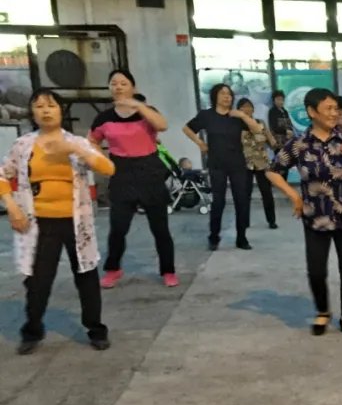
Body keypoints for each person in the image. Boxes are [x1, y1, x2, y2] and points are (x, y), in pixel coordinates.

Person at [1, 88, 114, 355]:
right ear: (33, 113)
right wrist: (12, 207)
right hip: (39, 223)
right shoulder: (23, 145)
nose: (45, 110)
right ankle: (32, 329)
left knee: (86, 275)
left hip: (77, 221)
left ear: (61, 111)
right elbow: (3, 176)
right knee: (38, 280)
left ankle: (95, 329)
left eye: (51, 105)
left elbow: (108, 168)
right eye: (39, 106)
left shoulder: (75, 142)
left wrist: (76, 149)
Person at [265, 87, 342, 338]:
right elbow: (273, 170)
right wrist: (294, 195)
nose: (334, 113)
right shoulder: (300, 144)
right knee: (316, 270)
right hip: (315, 217)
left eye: (336, 108)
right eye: (328, 108)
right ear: (311, 112)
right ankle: (323, 311)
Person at [89, 69, 177, 289]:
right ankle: (113, 268)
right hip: (122, 172)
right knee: (118, 227)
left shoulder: (146, 112)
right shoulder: (104, 118)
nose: (118, 87)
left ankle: (168, 270)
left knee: (160, 228)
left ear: (133, 87)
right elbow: (91, 141)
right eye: (114, 83)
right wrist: (102, 162)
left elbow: (162, 125)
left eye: (123, 83)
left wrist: (138, 106)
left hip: (149, 171)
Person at [182, 83, 262, 251]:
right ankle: (214, 236)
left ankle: (242, 238)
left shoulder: (236, 116)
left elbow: (256, 130)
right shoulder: (207, 115)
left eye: (229, 94)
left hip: (237, 164)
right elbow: (187, 128)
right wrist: (200, 143)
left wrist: (242, 115)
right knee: (218, 202)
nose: (227, 97)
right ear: (215, 96)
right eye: (223, 93)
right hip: (217, 164)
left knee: (242, 201)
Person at [236, 98, 277, 231]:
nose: (247, 109)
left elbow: (271, 141)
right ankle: (244, 222)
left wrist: (276, 144)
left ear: (253, 109)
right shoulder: (235, 126)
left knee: (267, 193)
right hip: (244, 163)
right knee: (244, 194)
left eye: (249, 107)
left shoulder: (260, 123)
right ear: (239, 110)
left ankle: (271, 221)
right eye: (243, 107)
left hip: (262, 162)